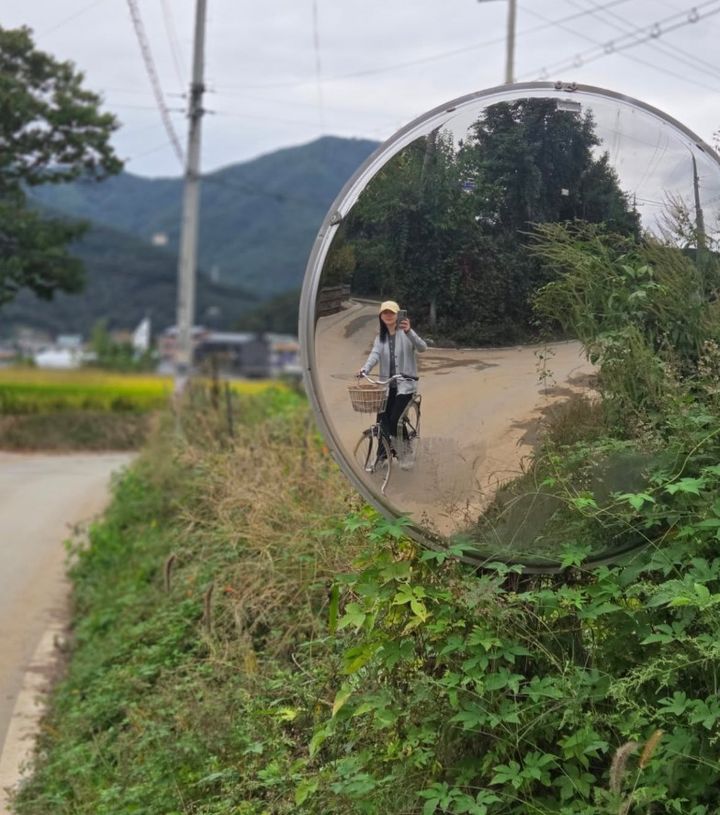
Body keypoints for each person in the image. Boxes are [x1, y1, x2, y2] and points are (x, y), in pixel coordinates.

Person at [358, 300, 427, 460]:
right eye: (385, 312)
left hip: (406, 386)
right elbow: (374, 355)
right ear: (381, 316)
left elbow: (422, 347)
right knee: (382, 420)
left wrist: (410, 331)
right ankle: (382, 456)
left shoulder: (406, 334)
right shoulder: (379, 338)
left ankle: (405, 452)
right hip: (388, 387)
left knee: (396, 419)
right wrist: (364, 369)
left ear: (398, 315)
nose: (388, 315)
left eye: (392, 312)